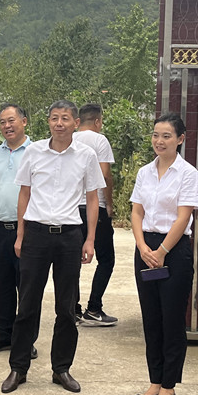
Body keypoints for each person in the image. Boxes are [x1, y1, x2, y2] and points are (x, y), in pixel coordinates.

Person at [1, 100, 104, 395]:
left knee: (66, 307)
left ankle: (61, 369)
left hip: (69, 236)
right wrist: (20, 235)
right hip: (36, 234)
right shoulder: (34, 152)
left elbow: (93, 198)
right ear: (48, 121)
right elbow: (24, 194)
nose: (59, 123)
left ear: (75, 123)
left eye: (65, 118)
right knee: (27, 304)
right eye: (54, 118)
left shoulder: (86, 155)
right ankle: (18, 368)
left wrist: (90, 239)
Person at [128, 113, 198, 395]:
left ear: (180, 139)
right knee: (151, 318)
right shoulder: (144, 172)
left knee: (172, 319)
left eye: (167, 136)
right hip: (145, 249)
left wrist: (161, 251)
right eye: (156, 135)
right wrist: (143, 247)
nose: (159, 141)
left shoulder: (188, 174)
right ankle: (154, 381)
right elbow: (136, 212)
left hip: (174, 250)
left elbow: (183, 217)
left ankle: (169, 386)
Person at [0, 103, 33, 355]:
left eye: (11, 120)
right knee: (0, 285)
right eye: (2, 122)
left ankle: (25, 341)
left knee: (27, 287)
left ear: (24, 121)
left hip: (29, 230)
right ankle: (3, 335)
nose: (7, 126)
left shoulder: (36, 152)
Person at [75, 103, 118, 326]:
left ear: (78, 121)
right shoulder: (100, 140)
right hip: (95, 207)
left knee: (71, 261)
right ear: (98, 121)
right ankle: (93, 308)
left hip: (71, 209)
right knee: (106, 259)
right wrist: (108, 204)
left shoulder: (68, 139)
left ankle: (72, 309)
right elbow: (105, 174)